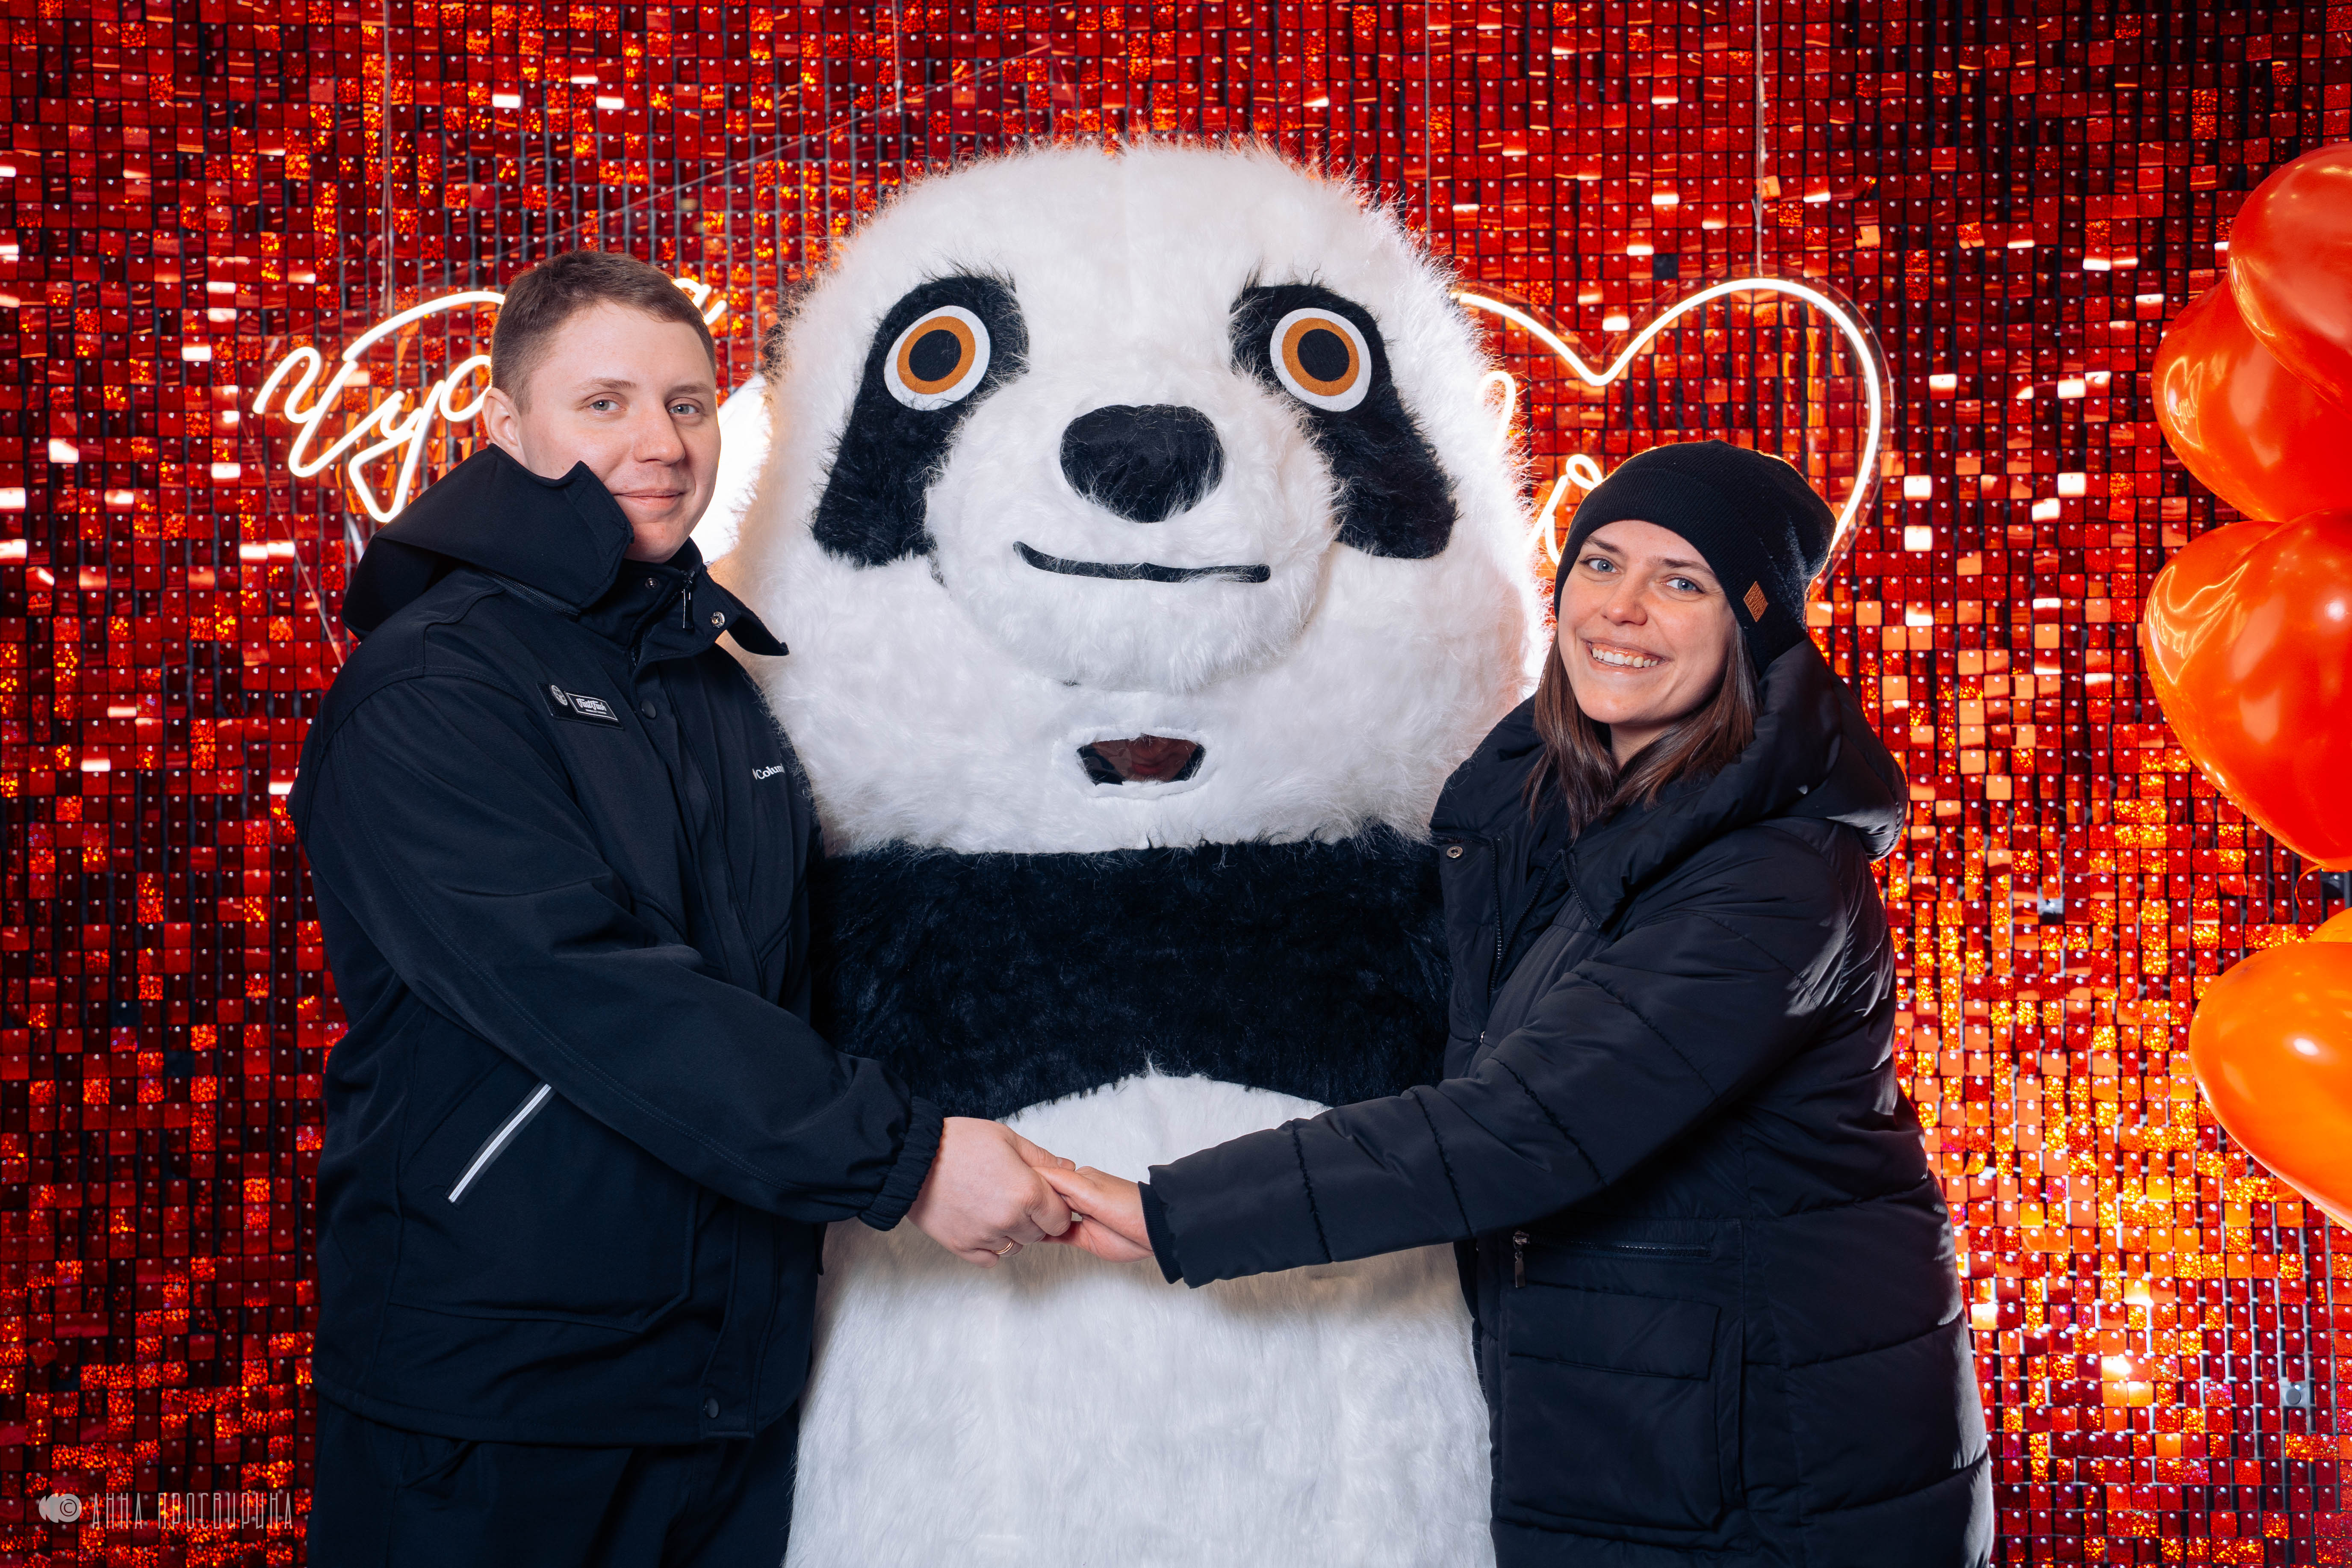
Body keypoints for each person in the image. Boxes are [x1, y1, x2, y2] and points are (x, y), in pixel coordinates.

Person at [1048, 440, 1993, 1566]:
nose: (1622, 608)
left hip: (1773, 1477)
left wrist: (1170, 1212)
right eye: (1601, 563)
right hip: (1643, 1425)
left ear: (1753, 629)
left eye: (1682, 581)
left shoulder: (1774, 879)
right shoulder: (1547, 819)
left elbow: (1525, 1126)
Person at [292, 250, 1074, 1566]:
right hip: (502, 1401)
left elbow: (786, 982)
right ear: (506, 424)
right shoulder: (433, 687)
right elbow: (596, 994)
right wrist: (909, 1161)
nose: (659, 442)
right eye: (603, 403)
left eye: (688, 403)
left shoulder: (711, 680)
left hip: (725, 1386)